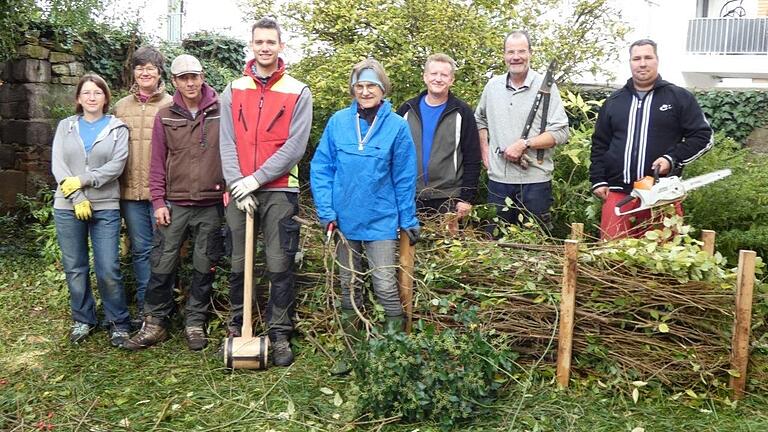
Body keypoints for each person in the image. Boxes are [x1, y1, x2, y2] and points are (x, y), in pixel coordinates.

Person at [310, 58, 420, 375]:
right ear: (353, 89)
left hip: (381, 221)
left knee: (385, 286)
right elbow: (322, 169)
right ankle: (351, 353)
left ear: (382, 89)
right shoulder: (338, 122)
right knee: (349, 287)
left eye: (371, 85)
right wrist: (327, 212)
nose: (365, 91)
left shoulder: (397, 127)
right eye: (359, 86)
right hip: (344, 222)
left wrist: (408, 219)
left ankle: (392, 356)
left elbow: (403, 176)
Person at [218, 18, 312, 367]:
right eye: (259, 42)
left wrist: (255, 179)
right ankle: (237, 327)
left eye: (271, 42)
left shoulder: (298, 91)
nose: (265, 48)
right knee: (239, 263)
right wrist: (236, 183)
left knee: (279, 264)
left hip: (278, 191)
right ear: (252, 45)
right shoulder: (233, 89)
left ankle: (279, 333)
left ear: (280, 46)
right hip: (239, 189)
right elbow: (226, 141)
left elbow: (295, 147)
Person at [124, 54, 225, 351]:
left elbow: (232, 152)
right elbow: (157, 162)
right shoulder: (165, 114)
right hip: (176, 203)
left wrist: (230, 187)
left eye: (194, 76)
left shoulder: (222, 111)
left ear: (203, 76)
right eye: (183, 78)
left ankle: (195, 322)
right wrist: (158, 201)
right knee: (162, 263)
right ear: (174, 81)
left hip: (211, 202)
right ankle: (155, 323)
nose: (190, 82)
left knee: (204, 264)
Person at [590, 39, 713, 240]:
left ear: (657, 60)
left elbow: (702, 137)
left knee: (662, 261)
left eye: (648, 57)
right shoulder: (614, 102)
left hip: (661, 195)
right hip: (619, 193)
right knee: (611, 258)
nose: (642, 63)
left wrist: (671, 159)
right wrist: (598, 180)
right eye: (636, 58)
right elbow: (600, 144)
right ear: (630, 62)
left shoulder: (679, 97)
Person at [51, 73, 131, 346]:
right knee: (75, 267)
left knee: (108, 266)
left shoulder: (118, 128)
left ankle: (118, 322)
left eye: (97, 93)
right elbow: (58, 166)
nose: (92, 97)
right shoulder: (66, 126)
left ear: (106, 97)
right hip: (66, 206)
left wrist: (83, 181)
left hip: (105, 205)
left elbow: (116, 166)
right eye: (86, 93)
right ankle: (83, 319)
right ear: (78, 98)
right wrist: (76, 197)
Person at [475, 30, 569, 233]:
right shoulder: (492, 87)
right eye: (510, 52)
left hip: (535, 182)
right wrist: (485, 152)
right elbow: (479, 119)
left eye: (521, 51)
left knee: (537, 247)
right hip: (498, 181)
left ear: (530, 53)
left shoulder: (546, 87)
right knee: (495, 245)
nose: (515, 57)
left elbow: (561, 132)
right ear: (504, 55)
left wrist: (525, 144)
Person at [113, 46, 173, 322]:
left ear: (159, 72)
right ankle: (144, 306)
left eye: (150, 67)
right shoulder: (121, 107)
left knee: (165, 251)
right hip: (130, 191)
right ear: (133, 73)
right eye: (139, 67)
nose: (144, 72)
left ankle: (163, 306)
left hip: (163, 193)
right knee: (141, 250)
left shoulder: (171, 105)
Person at [396, 53, 481, 218]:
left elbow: (472, 158)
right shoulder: (406, 110)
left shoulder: (462, 112)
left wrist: (466, 198)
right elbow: (392, 153)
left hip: (448, 198)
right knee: (409, 244)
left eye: (444, 75)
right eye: (434, 74)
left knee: (447, 244)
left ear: (451, 80)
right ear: (425, 77)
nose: (438, 79)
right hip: (409, 196)